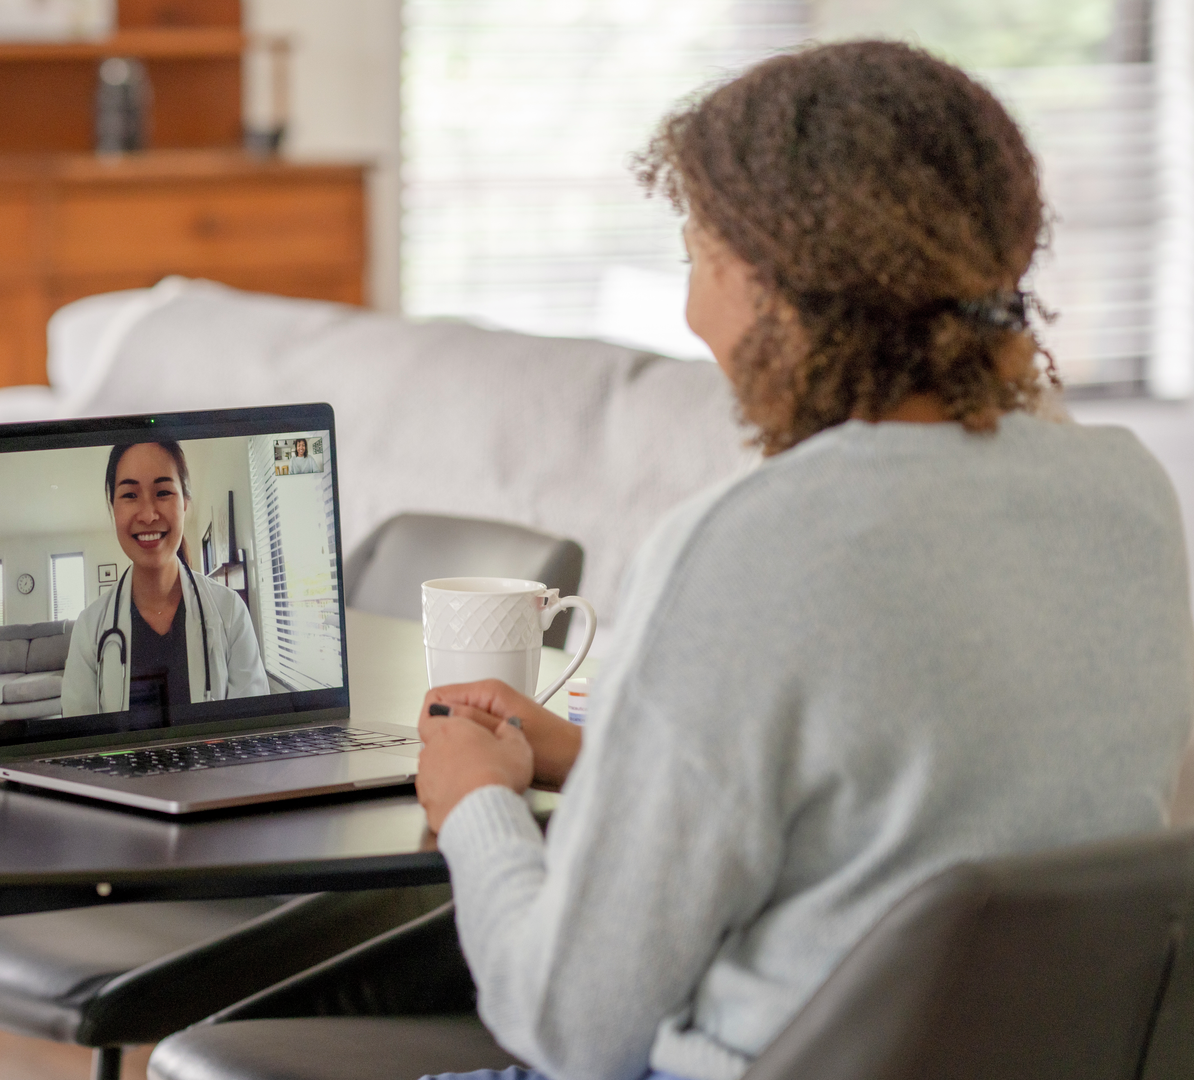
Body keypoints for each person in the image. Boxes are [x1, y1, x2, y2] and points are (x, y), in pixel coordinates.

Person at [414, 41, 1194, 1080]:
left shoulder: (745, 544)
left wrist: (476, 799)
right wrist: (614, 763)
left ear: (774, 288)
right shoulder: (1129, 497)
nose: (694, 315)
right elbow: (918, 819)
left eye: (697, 257)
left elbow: (570, 1025)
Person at [62, 440, 269, 717]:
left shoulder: (230, 613)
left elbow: (252, 731)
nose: (148, 515)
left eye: (163, 492)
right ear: (113, 508)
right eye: (130, 495)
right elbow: (80, 746)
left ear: (185, 503)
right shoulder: (89, 630)